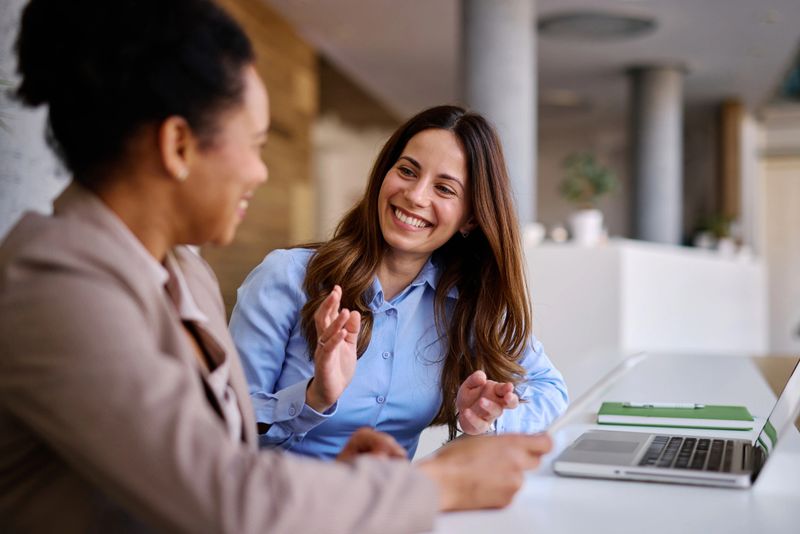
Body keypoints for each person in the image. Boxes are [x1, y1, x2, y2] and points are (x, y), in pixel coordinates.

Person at [0, 0, 554, 532]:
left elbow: (214, 460)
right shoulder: (56, 289)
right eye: (255, 143)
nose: (261, 173)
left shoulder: (181, 273)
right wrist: (441, 483)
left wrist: (341, 477)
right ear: (178, 146)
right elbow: (224, 499)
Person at [229, 105, 569, 460]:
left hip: (395, 506)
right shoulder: (286, 277)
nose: (416, 196)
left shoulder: (466, 300)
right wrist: (314, 397)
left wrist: (485, 419)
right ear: (383, 176)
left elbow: (551, 391)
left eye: (444, 189)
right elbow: (228, 426)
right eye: (407, 171)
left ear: (470, 218)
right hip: (283, 505)